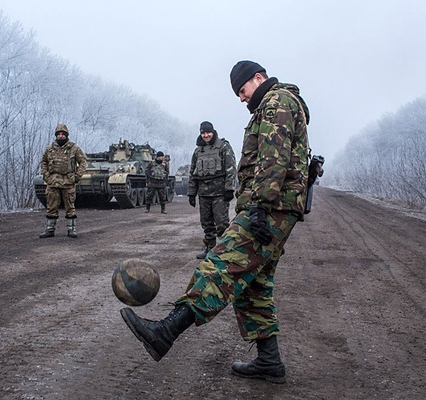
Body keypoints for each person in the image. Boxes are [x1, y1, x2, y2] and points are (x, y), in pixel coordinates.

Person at [120, 60, 311, 384]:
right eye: (237, 93)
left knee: (221, 264)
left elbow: (273, 158)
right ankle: (269, 361)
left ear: (258, 77)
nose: (240, 97)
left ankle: (166, 331)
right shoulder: (272, 104)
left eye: (242, 89)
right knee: (253, 286)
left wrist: (260, 208)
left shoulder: (277, 101)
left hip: (270, 208)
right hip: (275, 207)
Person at [188, 121, 237, 259]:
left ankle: (223, 250)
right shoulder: (198, 151)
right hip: (203, 193)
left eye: (208, 132)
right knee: (207, 223)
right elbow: (192, 173)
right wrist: (192, 193)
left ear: (213, 132)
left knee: (222, 223)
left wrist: (229, 188)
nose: (205, 135)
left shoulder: (223, 147)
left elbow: (231, 169)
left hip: (219, 193)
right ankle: (210, 248)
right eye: (203, 133)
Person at [39, 124, 87, 238]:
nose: (60, 136)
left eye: (62, 134)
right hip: (53, 181)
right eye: (58, 134)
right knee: (51, 206)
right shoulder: (50, 149)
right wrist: (46, 175)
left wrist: (77, 176)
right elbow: (43, 162)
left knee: (69, 206)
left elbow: (83, 162)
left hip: (68, 181)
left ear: (66, 135)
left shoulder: (74, 149)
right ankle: (50, 229)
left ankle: (71, 229)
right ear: (56, 135)